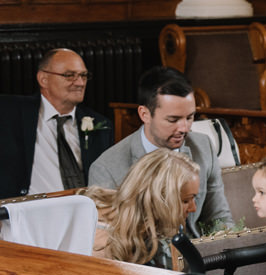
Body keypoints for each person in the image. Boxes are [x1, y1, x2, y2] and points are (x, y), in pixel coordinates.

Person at [0, 48, 112, 201]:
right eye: (69, 75)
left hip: (87, 214)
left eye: (83, 76)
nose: (79, 83)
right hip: (24, 213)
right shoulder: (6, 113)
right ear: (43, 79)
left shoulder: (100, 124)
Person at [88, 67, 233, 234]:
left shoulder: (203, 146)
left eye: (190, 117)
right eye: (173, 119)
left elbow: (218, 217)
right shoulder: (106, 168)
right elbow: (109, 240)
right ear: (144, 114)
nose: (184, 128)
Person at [87, 148, 199, 268]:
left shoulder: (148, 229)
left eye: (194, 198)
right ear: (159, 199)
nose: (193, 208)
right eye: (186, 200)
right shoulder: (100, 239)